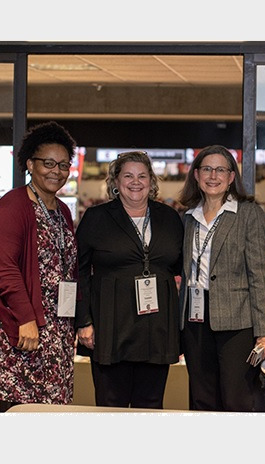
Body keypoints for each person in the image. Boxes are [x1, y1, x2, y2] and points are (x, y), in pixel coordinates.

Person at [75, 151, 184, 409]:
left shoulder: (169, 217)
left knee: (151, 407)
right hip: (110, 327)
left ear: (151, 180)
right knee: (111, 406)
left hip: (157, 328)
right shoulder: (96, 217)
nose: (136, 182)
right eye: (128, 175)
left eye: (142, 175)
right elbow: (77, 272)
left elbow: (182, 266)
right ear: (115, 181)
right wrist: (84, 321)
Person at [178, 144, 265, 412]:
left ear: (231, 177)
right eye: (207, 169)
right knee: (201, 398)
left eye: (221, 170)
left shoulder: (247, 213)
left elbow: (259, 274)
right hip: (194, 320)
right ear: (196, 175)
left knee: (236, 399)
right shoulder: (187, 216)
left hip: (237, 322)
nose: (213, 176)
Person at [0, 121, 78, 412]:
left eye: (63, 164)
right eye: (48, 163)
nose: (56, 171)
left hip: (58, 330)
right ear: (30, 163)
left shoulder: (62, 210)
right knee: (22, 411)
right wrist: (26, 319)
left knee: (53, 412)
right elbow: (2, 267)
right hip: (25, 329)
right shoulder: (12, 206)